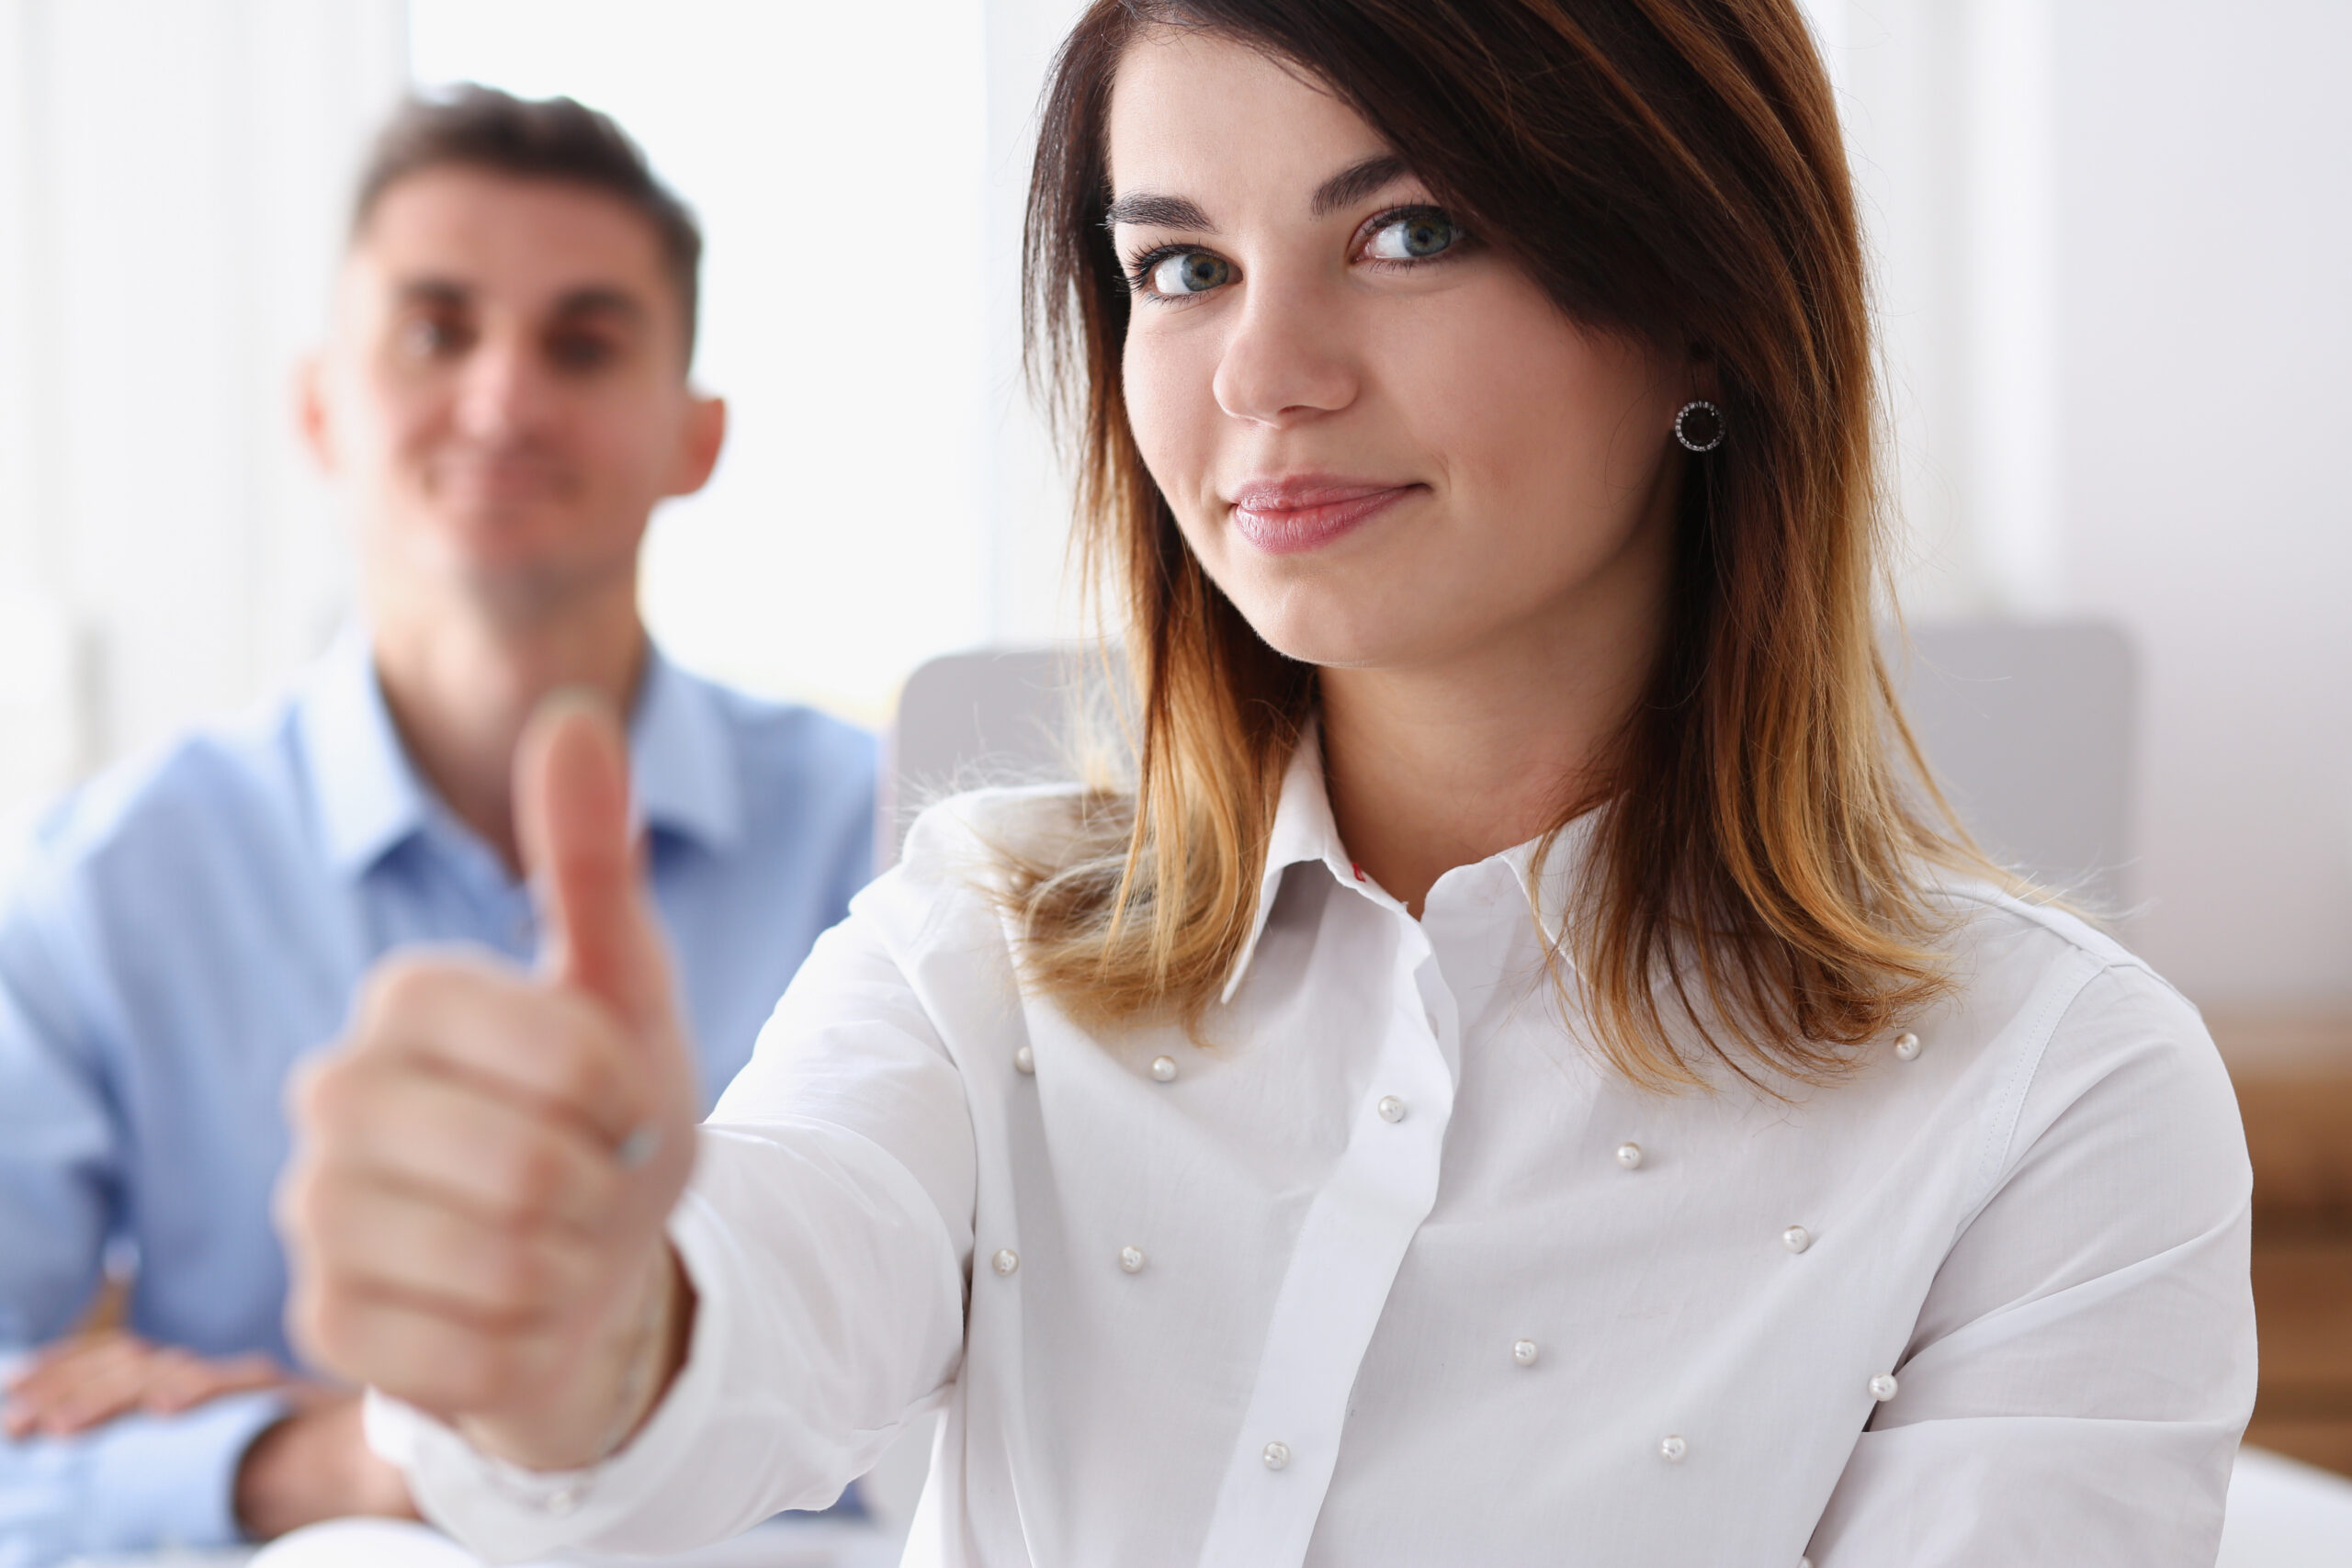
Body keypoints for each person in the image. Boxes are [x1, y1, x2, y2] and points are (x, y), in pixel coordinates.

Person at [282, 4, 2257, 1564]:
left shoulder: (2054, 1091)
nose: (1258, 374)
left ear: (1706, 296)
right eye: (1178, 266)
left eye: (1404, 232)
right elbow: (736, 1331)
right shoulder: (984, 938)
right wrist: (578, 1335)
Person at [0, 87, 875, 1556]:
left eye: (584, 342)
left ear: (695, 436)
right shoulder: (106, 886)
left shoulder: (891, 846)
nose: (502, 398)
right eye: (436, 330)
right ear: (319, 406)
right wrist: (328, 1466)